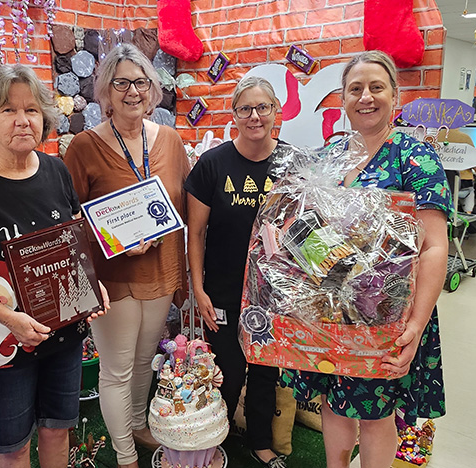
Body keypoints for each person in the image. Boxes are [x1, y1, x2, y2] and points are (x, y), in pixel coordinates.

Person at [0, 65, 107, 468]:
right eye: (8, 110)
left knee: (58, 428)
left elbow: (72, 240)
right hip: (1, 343)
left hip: (62, 335)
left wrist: (92, 287)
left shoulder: (56, 170)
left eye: (32, 109)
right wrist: (10, 318)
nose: (23, 120)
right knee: (14, 447)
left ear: (44, 117)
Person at [283, 51, 451, 468]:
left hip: (388, 314)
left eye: (377, 87)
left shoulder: (415, 158)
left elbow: (433, 247)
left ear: (395, 96)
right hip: (329, 309)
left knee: (376, 413)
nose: (366, 97)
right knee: (334, 403)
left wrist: (415, 323)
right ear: (343, 98)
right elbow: (302, 228)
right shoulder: (329, 157)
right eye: (355, 88)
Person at [63, 43, 189, 468]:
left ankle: (138, 424)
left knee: (142, 360)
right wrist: (113, 238)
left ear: (152, 89)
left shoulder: (170, 141)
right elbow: (69, 221)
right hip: (111, 277)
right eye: (121, 83)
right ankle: (125, 454)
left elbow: (184, 205)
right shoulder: (83, 146)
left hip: (160, 269)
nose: (132, 91)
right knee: (116, 370)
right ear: (105, 92)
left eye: (140, 82)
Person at [184, 75, 288, 468]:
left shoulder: (292, 163)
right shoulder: (213, 164)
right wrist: (199, 289)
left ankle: (260, 442)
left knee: (264, 370)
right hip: (223, 290)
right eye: (245, 109)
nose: (254, 116)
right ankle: (215, 437)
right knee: (226, 368)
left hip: (274, 293)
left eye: (263, 107)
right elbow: (195, 233)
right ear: (234, 115)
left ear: (276, 112)